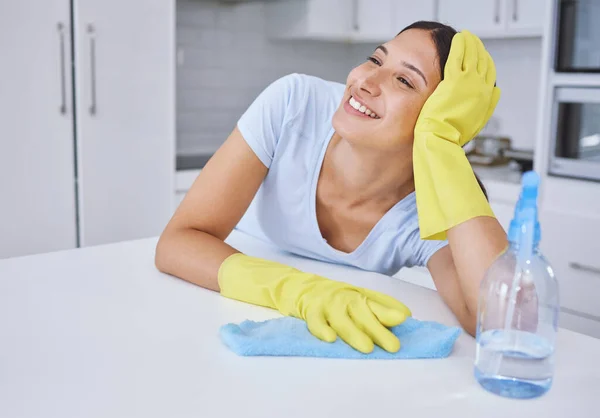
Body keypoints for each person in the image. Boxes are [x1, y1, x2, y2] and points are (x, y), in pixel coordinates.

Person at [155, 21, 508, 354]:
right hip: (212, 291)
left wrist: (443, 145)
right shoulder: (295, 104)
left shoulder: (425, 208)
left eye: (404, 80)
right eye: (375, 59)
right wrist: (294, 288)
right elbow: (178, 242)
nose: (366, 81)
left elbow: (498, 320)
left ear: (441, 118)